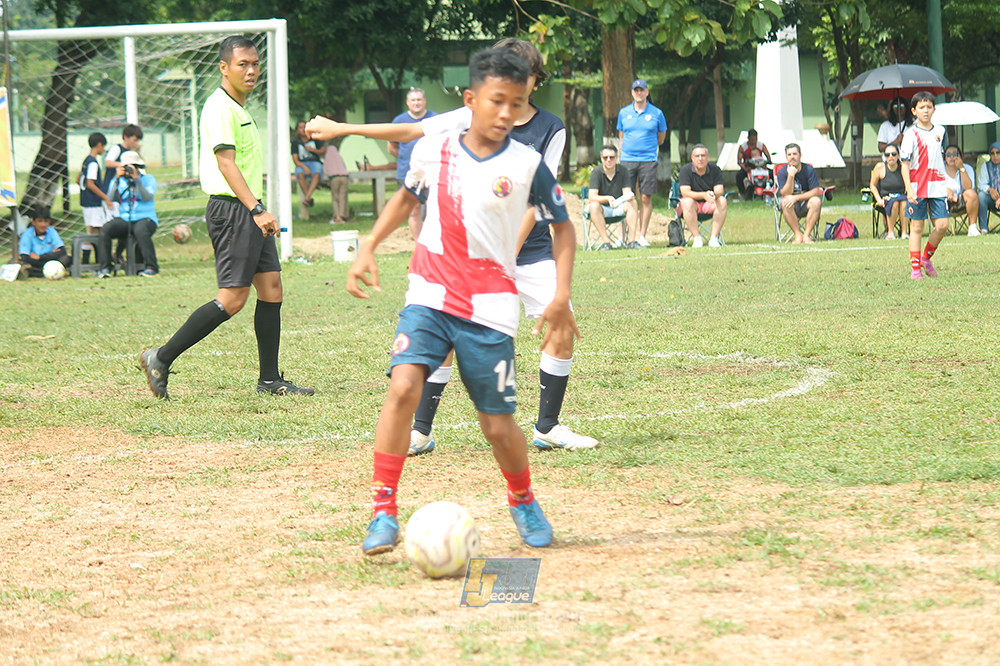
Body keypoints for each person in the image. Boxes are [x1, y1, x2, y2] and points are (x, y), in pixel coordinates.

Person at [307, 37, 596, 455]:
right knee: (442, 331)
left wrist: (510, 255)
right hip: (466, 256)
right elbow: (410, 130)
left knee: (561, 321)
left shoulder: (550, 128)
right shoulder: (471, 113)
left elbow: (541, 204)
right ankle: (420, 431)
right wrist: (343, 128)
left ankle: (548, 426)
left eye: (523, 75)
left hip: (528, 250)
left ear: (533, 80)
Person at [346, 47, 574, 556]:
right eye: (497, 101)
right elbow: (407, 196)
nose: (506, 114)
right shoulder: (437, 147)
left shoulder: (527, 164)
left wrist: (559, 296)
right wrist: (367, 245)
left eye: (516, 104)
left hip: (490, 306)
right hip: (428, 292)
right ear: (471, 100)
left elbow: (562, 228)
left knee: (496, 424)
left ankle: (522, 498)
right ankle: (383, 509)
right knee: (403, 386)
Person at [139, 35, 313, 400]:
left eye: (254, 64)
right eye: (242, 65)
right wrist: (257, 209)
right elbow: (225, 163)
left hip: (248, 208)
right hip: (235, 209)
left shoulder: (239, 106)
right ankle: (161, 357)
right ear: (223, 68)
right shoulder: (220, 107)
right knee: (232, 298)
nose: (251, 71)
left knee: (271, 290)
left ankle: (269, 380)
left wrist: (256, 208)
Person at [900, 92, 949, 280]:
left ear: (934, 109)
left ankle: (926, 258)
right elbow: (904, 164)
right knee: (917, 227)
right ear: (914, 111)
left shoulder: (941, 131)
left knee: (943, 225)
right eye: (921, 107)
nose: (926, 110)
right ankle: (915, 269)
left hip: (937, 186)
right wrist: (909, 188)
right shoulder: (910, 134)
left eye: (929, 107)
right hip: (917, 187)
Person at [617, 79, 667, 248]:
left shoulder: (657, 113)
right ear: (632, 93)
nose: (639, 93)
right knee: (625, 197)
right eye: (636, 90)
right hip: (627, 160)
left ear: (647, 92)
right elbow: (621, 136)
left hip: (648, 160)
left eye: (642, 90)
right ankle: (623, 236)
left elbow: (661, 138)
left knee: (645, 197)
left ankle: (642, 235)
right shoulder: (624, 112)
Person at [96, 151, 160, 278]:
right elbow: (110, 197)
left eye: (132, 167)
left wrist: (137, 180)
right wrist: (116, 179)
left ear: (138, 167)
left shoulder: (148, 179)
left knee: (140, 231)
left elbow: (147, 197)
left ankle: (151, 267)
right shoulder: (120, 181)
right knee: (105, 230)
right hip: (125, 218)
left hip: (146, 218)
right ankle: (106, 268)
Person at [388, 87, 436, 239]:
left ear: (425, 101)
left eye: (419, 100)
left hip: (432, 172)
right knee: (413, 210)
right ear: (408, 102)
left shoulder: (434, 119)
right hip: (407, 172)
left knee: (433, 209)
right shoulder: (399, 121)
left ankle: (432, 242)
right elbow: (391, 147)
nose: (417, 103)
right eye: (413, 100)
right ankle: (418, 244)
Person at [677, 143, 727, 247]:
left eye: (703, 156)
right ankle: (697, 238)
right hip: (690, 206)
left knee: (722, 200)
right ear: (692, 158)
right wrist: (703, 195)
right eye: (697, 156)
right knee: (687, 201)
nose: (700, 159)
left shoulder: (715, 170)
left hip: (709, 204)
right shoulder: (685, 170)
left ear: (708, 157)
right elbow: (685, 192)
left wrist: (712, 194)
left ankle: (714, 238)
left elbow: (719, 190)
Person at [587, 144, 637, 249]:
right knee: (593, 206)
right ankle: (607, 243)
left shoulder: (623, 171)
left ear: (616, 158)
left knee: (633, 202)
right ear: (601, 158)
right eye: (605, 158)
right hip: (602, 208)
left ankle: (632, 242)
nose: (608, 160)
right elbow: (592, 196)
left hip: (619, 205)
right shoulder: (596, 172)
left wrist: (627, 197)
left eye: (611, 157)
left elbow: (627, 192)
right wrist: (607, 198)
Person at [776, 143, 824, 244]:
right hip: (790, 206)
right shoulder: (782, 172)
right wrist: (791, 176)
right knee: (785, 202)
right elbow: (785, 193)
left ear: (800, 155)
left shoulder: (809, 170)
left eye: (794, 154)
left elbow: (815, 191)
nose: (792, 157)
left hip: (805, 203)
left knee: (816, 201)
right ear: (786, 157)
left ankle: (806, 235)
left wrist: (796, 198)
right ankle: (798, 235)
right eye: (789, 155)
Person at [79, 132, 114, 261]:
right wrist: (105, 197)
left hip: (85, 202)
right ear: (99, 145)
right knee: (96, 233)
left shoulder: (86, 161)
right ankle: (97, 262)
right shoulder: (93, 163)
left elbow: (79, 179)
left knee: (91, 232)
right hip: (93, 203)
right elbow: (90, 183)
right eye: (103, 146)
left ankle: (86, 262)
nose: (103, 149)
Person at [868, 144, 908, 240]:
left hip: (901, 196)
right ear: (884, 157)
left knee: (904, 203)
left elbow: (908, 183)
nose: (891, 157)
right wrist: (878, 199)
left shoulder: (903, 167)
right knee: (893, 202)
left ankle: (904, 233)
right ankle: (890, 232)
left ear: (898, 155)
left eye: (894, 154)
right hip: (885, 198)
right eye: (887, 154)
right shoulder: (880, 167)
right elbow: (872, 186)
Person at [18, 204, 70, 277]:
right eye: (40, 221)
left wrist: (40, 257)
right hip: (36, 263)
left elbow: (63, 251)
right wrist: (52, 255)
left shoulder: (51, 231)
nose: (43, 224)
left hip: (49, 261)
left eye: (46, 221)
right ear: (33, 222)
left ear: (49, 222)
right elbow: (25, 257)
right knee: (22, 263)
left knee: (66, 258)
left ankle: (41, 273)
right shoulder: (27, 234)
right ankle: (53, 272)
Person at [103, 124, 143, 218]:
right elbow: (107, 163)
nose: (136, 143)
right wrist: (122, 165)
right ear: (126, 137)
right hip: (112, 191)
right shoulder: (117, 148)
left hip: (125, 193)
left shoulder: (132, 152)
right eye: (134, 140)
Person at [942, 144, 981, 236]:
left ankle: (972, 227)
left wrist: (961, 168)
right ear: (944, 158)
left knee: (971, 194)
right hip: (943, 201)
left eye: (955, 154)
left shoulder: (967, 168)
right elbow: (933, 186)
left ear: (960, 156)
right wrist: (945, 190)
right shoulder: (939, 169)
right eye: (948, 155)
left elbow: (968, 188)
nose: (951, 157)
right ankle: (938, 228)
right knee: (932, 196)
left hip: (961, 202)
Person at [292, 120, 324, 209]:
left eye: (305, 127)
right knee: (299, 174)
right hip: (302, 163)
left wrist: (312, 150)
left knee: (317, 173)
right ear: (297, 130)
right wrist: (304, 167)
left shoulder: (315, 139)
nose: (303, 129)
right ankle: (308, 197)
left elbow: (323, 151)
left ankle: (306, 197)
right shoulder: (295, 143)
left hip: (315, 162)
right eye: (301, 128)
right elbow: (295, 160)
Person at [736, 129, 771, 200]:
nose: (753, 141)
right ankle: (742, 193)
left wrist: (766, 162)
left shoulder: (761, 145)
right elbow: (739, 161)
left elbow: (768, 157)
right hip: (748, 167)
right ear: (748, 138)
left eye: (755, 139)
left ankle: (772, 191)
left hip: (760, 166)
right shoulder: (743, 147)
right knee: (739, 175)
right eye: (751, 140)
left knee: (772, 173)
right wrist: (745, 168)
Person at [976, 141, 1000, 234]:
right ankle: (984, 228)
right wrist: (990, 190)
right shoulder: (986, 166)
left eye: (998, 153)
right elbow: (981, 184)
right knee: (981, 196)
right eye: (992, 153)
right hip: (992, 199)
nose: (995, 156)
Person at [323, 143, 349, 223]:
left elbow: (325, 170)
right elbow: (344, 166)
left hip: (334, 178)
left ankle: (337, 216)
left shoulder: (328, 157)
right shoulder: (339, 156)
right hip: (344, 177)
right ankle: (342, 216)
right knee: (342, 198)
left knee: (335, 198)